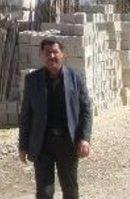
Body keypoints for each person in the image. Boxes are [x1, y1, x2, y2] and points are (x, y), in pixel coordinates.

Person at [19, 36, 93, 199]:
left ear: (62, 54)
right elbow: (26, 115)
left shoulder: (76, 79)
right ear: (42, 55)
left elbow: (86, 110)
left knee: (70, 190)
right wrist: (23, 145)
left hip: (68, 141)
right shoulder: (32, 80)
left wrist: (85, 138)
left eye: (55, 52)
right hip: (42, 143)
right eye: (47, 53)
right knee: (44, 192)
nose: (51, 56)